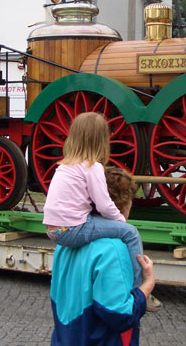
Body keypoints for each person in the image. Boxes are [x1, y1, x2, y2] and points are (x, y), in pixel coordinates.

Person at [50, 167, 156, 346]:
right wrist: (146, 286)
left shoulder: (65, 245)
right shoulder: (114, 249)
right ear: (124, 204)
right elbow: (120, 315)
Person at [43, 112, 148, 291]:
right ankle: (139, 288)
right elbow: (104, 205)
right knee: (130, 233)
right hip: (72, 228)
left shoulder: (64, 166)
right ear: (101, 140)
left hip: (53, 230)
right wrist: (122, 222)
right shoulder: (92, 167)